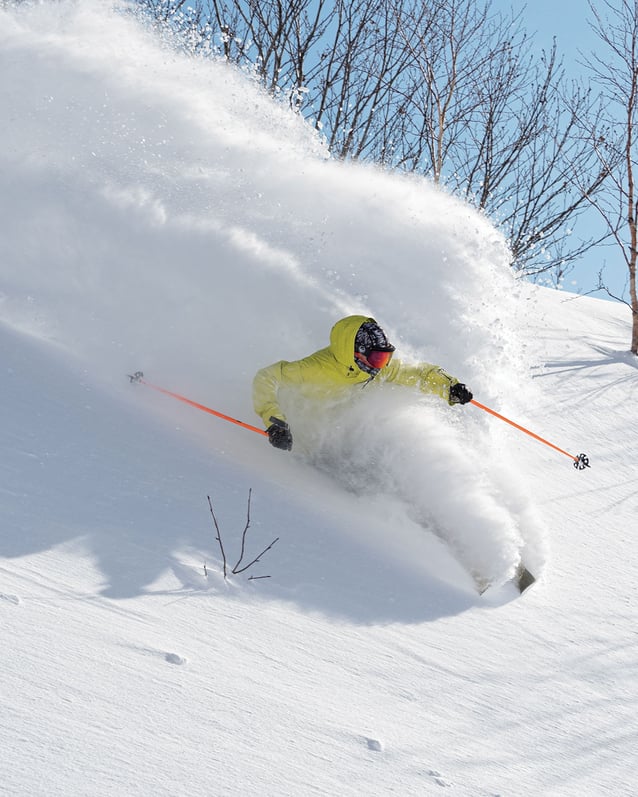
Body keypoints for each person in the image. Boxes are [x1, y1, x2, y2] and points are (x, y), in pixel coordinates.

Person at [253, 315, 473, 451]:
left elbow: (418, 374)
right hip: (301, 438)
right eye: (377, 358)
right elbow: (266, 377)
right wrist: (275, 423)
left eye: (385, 357)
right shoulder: (316, 368)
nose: (381, 365)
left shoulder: (378, 369)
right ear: (356, 353)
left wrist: (448, 387)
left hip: (340, 436)